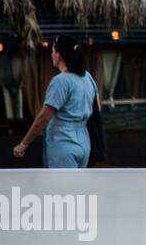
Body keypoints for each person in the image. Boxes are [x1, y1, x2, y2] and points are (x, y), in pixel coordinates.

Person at [12, 34, 99, 169]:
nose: (51, 55)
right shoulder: (88, 77)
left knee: (61, 189)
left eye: (52, 51)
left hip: (63, 142)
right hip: (84, 142)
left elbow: (44, 117)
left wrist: (24, 143)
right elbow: (97, 107)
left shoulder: (61, 81)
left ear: (58, 55)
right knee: (77, 189)